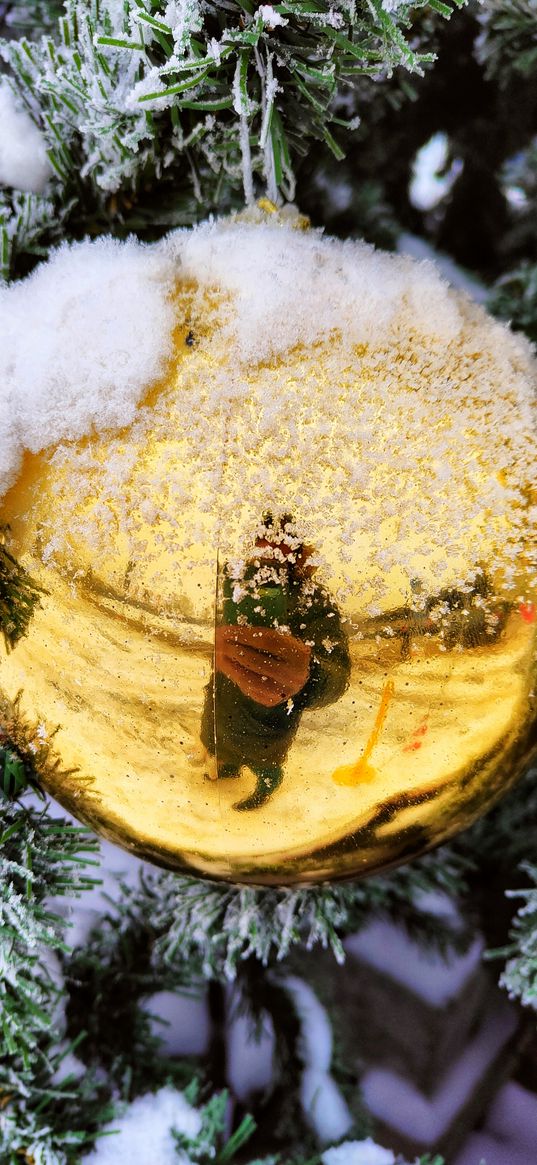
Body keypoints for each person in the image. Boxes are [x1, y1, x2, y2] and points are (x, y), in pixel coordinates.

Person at [200, 515, 351, 811]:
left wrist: (310, 676)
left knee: (264, 761)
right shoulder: (239, 584)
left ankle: (265, 788)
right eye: (264, 542)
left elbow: (338, 673)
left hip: (271, 714)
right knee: (223, 746)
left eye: (280, 544)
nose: (270, 552)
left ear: (295, 551)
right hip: (224, 701)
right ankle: (229, 766)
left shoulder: (314, 598)